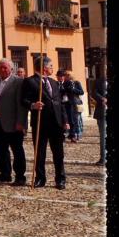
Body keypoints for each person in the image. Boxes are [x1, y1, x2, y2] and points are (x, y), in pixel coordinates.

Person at [21, 56, 69, 189]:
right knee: (40, 153)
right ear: (44, 68)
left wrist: (65, 120)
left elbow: (60, 104)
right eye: (51, 66)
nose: (53, 68)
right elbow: (23, 100)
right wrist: (33, 105)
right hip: (40, 123)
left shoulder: (53, 83)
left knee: (58, 153)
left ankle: (60, 179)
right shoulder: (29, 81)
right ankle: (40, 178)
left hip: (56, 123)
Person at [0, 58, 29, 185]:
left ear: (11, 69)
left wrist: (21, 122)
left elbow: (21, 105)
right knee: (0, 149)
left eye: (5, 67)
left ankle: (20, 176)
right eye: (1, 67)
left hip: (13, 122)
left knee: (17, 150)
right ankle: (4, 173)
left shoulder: (18, 82)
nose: (3, 70)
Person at [59, 70, 85, 143]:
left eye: (67, 75)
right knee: (66, 119)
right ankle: (69, 134)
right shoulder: (64, 83)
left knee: (74, 119)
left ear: (70, 76)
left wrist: (73, 89)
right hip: (64, 103)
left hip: (73, 103)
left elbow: (81, 92)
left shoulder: (76, 83)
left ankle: (75, 134)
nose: (65, 76)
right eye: (65, 75)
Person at [92, 77, 107, 166]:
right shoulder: (99, 81)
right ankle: (103, 158)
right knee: (104, 136)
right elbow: (94, 93)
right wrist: (102, 99)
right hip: (102, 112)